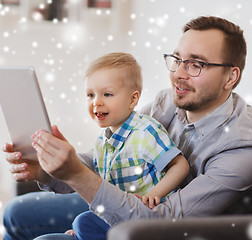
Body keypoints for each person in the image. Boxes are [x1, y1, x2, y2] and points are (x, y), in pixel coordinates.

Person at [3, 16, 252, 240]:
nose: (178, 74)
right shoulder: (169, 102)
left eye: (195, 65)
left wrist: (75, 175)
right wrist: (47, 170)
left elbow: (159, 223)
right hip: (132, 197)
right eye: (177, 60)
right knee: (14, 212)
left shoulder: (243, 149)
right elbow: (114, 154)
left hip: (159, 226)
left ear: (231, 76)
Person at [65, 52, 189, 238]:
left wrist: (156, 193)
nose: (96, 102)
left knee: (82, 222)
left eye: (107, 94)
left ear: (133, 100)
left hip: (147, 222)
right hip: (118, 218)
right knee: (82, 223)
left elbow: (180, 165)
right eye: (90, 95)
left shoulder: (146, 131)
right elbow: (103, 195)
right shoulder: (102, 143)